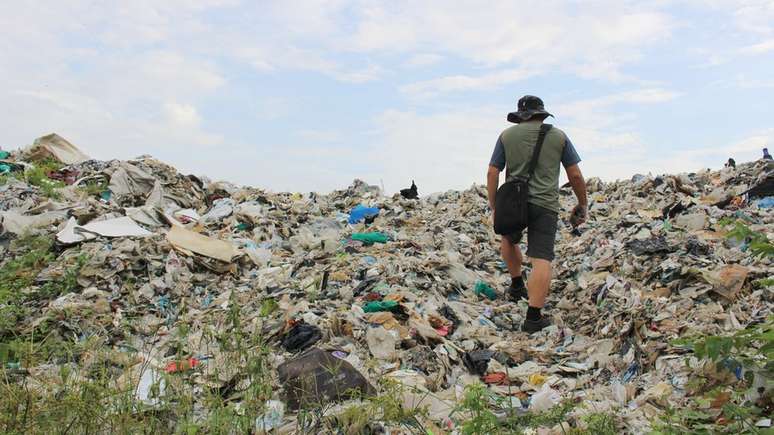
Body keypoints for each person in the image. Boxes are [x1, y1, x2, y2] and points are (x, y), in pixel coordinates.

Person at [487, 95, 588, 333]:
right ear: (542, 114)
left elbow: (493, 172)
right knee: (541, 258)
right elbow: (574, 175)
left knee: (508, 239)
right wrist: (582, 203)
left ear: (520, 116)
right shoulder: (559, 137)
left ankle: (516, 284)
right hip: (545, 204)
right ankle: (533, 318)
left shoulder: (506, 136)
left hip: (513, 202)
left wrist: (494, 205)